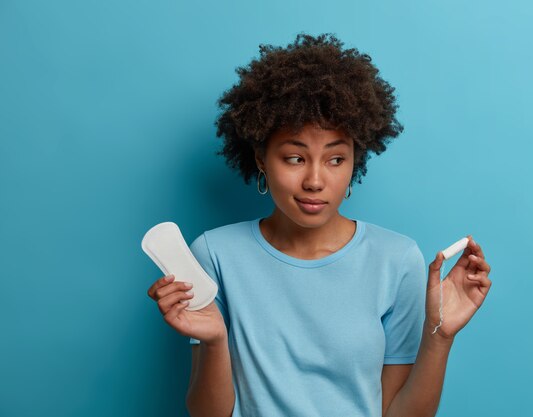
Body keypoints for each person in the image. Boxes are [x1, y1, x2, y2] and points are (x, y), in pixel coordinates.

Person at [146, 32, 492, 417]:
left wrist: (439, 337)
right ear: (261, 158)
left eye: (335, 159)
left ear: (354, 161)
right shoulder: (215, 254)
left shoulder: (396, 259)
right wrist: (214, 342)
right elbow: (207, 414)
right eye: (294, 158)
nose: (314, 180)